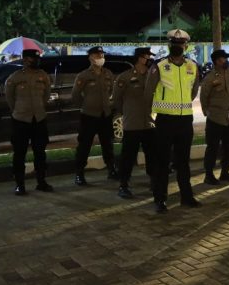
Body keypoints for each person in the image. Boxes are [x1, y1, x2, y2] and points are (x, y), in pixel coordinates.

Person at [144, 29, 201, 212]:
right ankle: (160, 199)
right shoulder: (159, 66)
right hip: (165, 120)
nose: (178, 46)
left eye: (181, 44)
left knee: (183, 161)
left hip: (185, 120)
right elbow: (148, 92)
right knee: (162, 161)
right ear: (169, 45)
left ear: (186, 46)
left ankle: (187, 196)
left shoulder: (192, 66)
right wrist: (150, 115)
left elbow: (194, 90)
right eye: (174, 44)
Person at [4, 49, 53, 195]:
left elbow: (46, 95)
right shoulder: (15, 77)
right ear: (25, 59)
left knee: (40, 153)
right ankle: (20, 184)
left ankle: (41, 182)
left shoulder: (43, 76)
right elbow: (10, 98)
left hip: (39, 119)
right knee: (19, 154)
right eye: (33, 58)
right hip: (21, 120)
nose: (37, 61)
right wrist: (19, 110)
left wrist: (39, 108)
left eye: (38, 58)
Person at [113, 47, 155, 198]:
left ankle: (154, 181)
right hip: (132, 123)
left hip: (150, 123)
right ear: (140, 58)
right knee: (128, 157)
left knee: (152, 155)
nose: (150, 60)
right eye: (147, 57)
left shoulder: (153, 76)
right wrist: (127, 112)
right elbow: (117, 100)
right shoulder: (125, 77)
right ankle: (123, 185)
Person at [71, 46, 117, 185]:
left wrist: (109, 105)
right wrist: (85, 106)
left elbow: (112, 92)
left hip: (105, 114)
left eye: (102, 55)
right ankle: (79, 173)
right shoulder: (83, 75)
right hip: (89, 116)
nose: (101, 57)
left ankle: (111, 169)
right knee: (84, 145)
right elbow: (75, 95)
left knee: (108, 144)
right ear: (90, 57)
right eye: (97, 55)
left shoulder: (108, 73)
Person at [199, 49, 229, 186]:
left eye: (226, 59)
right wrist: (206, 112)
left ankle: (225, 173)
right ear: (217, 61)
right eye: (223, 59)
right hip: (215, 117)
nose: (226, 61)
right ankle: (208, 175)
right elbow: (204, 96)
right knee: (213, 148)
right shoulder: (210, 77)